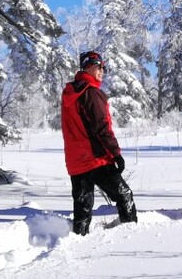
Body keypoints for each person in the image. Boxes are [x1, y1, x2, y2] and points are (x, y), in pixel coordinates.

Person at [60, 50, 138, 235]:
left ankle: (78, 240)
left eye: (104, 67)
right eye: (99, 67)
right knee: (124, 195)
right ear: (88, 67)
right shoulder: (92, 93)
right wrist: (116, 154)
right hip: (95, 160)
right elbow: (101, 128)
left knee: (83, 208)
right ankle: (131, 236)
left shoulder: (70, 93)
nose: (102, 71)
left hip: (76, 161)